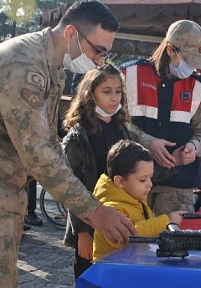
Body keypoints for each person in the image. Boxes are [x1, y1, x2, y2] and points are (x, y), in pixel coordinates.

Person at [0, 2, 137, 287]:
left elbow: (48, 143)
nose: (101, 62)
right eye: (98, 51)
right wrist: (92, 211)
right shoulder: (23, 64)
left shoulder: (48, 63)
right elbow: (37, 151)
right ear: (70, 34)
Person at [122, 19, 201, 215]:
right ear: (171, 50)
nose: (192, 69)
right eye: (189, 61)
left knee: (176, 243)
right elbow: (117, 122)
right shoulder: (129, 74)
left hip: (178, 184)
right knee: (130, 243)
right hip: (132, 180)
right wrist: (148, 143)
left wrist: (193, 148)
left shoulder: (198, 87)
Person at [61, 64, 131, 278]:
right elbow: (72, 186)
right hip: (90, 221)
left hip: (119, 219)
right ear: (90, 95)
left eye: (118, 91)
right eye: (106, 91)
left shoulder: (121, 128)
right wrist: (81, 232)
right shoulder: (78, 135)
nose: (114, 98)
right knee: (90, 277)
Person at [92, 140, 185, 261]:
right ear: (120, 182)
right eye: (143, 180)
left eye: (150, 178)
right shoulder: (111, 209)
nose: (150, 184)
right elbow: (129, 236)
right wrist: (166, 222)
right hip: (111, 274)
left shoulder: (137, 200)